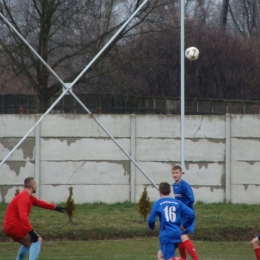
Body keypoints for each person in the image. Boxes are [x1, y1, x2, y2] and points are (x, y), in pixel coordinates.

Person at [2, 177, 66, 260]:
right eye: (36, 184)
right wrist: (30, 231)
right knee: (37, 240)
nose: (37, 186)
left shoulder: (28, 197)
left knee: (28, 244)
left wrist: (55, 207)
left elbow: (40, 203)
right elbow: (23, 216)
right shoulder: (23, 197)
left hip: (9, 227)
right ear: (32, 186)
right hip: (14, 225)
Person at [147, 182, 195, 260]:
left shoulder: (158, 203)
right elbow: (191, 214)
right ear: (170, 192)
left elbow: (150, 220)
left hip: (167, 235)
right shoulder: (178, 202)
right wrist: (185, 225)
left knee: (169, 258)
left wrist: (151, 226)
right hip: (177, 233)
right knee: (160, 255)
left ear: (159, 192)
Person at [172, 165, 200, 260]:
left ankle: (195, 258)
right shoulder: (174, 185)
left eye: (176, 173)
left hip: (187, 214)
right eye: (173, 173)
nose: (175, 175)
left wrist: (183, 208)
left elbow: (191, 199)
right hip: (181, 214)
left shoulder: (185, 185)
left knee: (183, 235)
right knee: (180, 235)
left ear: (181, 173)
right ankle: (183, 258)